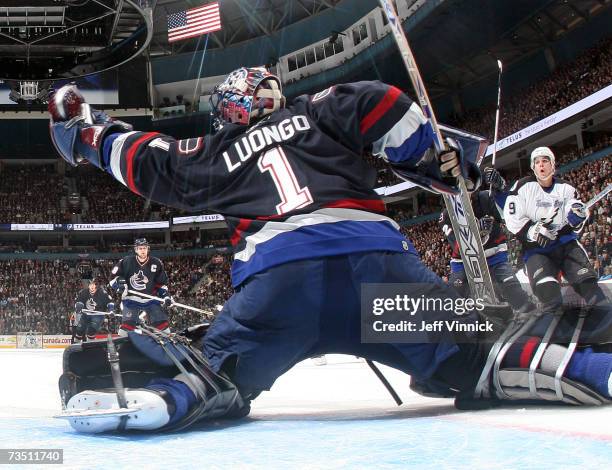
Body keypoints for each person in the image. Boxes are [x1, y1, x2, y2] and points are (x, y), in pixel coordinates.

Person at [49, 70, 611, 433]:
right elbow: (385, 103)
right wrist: (444, 157)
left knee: (217, 366)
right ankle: (592, 368)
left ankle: (171, 399)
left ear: (230, 110)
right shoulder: (321, 110)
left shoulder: (214, 150)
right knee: (480, 352)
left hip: (278, 289)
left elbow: (148, 158)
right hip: (382, 277)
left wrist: (84, 132)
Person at [503, 147, 607, 316]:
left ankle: (606, 320)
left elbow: (575, 210)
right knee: (548, 293)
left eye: (545, 161)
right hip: (536, 250)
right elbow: (511, 218)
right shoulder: (522, 187)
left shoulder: (566, 188)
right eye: (537, 162)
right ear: (533, 167)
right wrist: (532, 231)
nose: (541, 165)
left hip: (566, 245)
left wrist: (577, 217)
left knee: (588, 285)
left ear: (553, 166)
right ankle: (556, 326)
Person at [439, 170, 533, 314]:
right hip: (464, 262)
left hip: (494, 256)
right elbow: (457, 244)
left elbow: (508, 213)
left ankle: (524, 308)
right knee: (455, 295)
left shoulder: (485, 198)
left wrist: (501, 187)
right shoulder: (446, 215)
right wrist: (477, 231)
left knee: (512, 289)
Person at [109, 238, 172, 335]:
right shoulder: (126, 261)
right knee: (127, 326)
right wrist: (119, 285)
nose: (142, 250)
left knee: (162, 325)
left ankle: (166, 344)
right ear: (136, 250)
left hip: (150, 299)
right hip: (131, 299)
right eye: (140, 248)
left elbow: (161, 283)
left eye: (144, 248)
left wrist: (166, 296)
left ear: (148, 249)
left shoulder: (156, 262)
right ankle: (122, 346)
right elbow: (112, 277)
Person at [72, 278, 114, 343]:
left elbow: (110, 303)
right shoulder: (84, 292)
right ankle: (75, 346)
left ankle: (90, 347)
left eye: (94, 285)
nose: (92, 287)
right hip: (86, 314)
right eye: (91, 285)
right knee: (79, 331)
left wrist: (111, 310)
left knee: (91, 331)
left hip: (97, 315)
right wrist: (78, 306)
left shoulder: (102, 293)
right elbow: (79, 301)